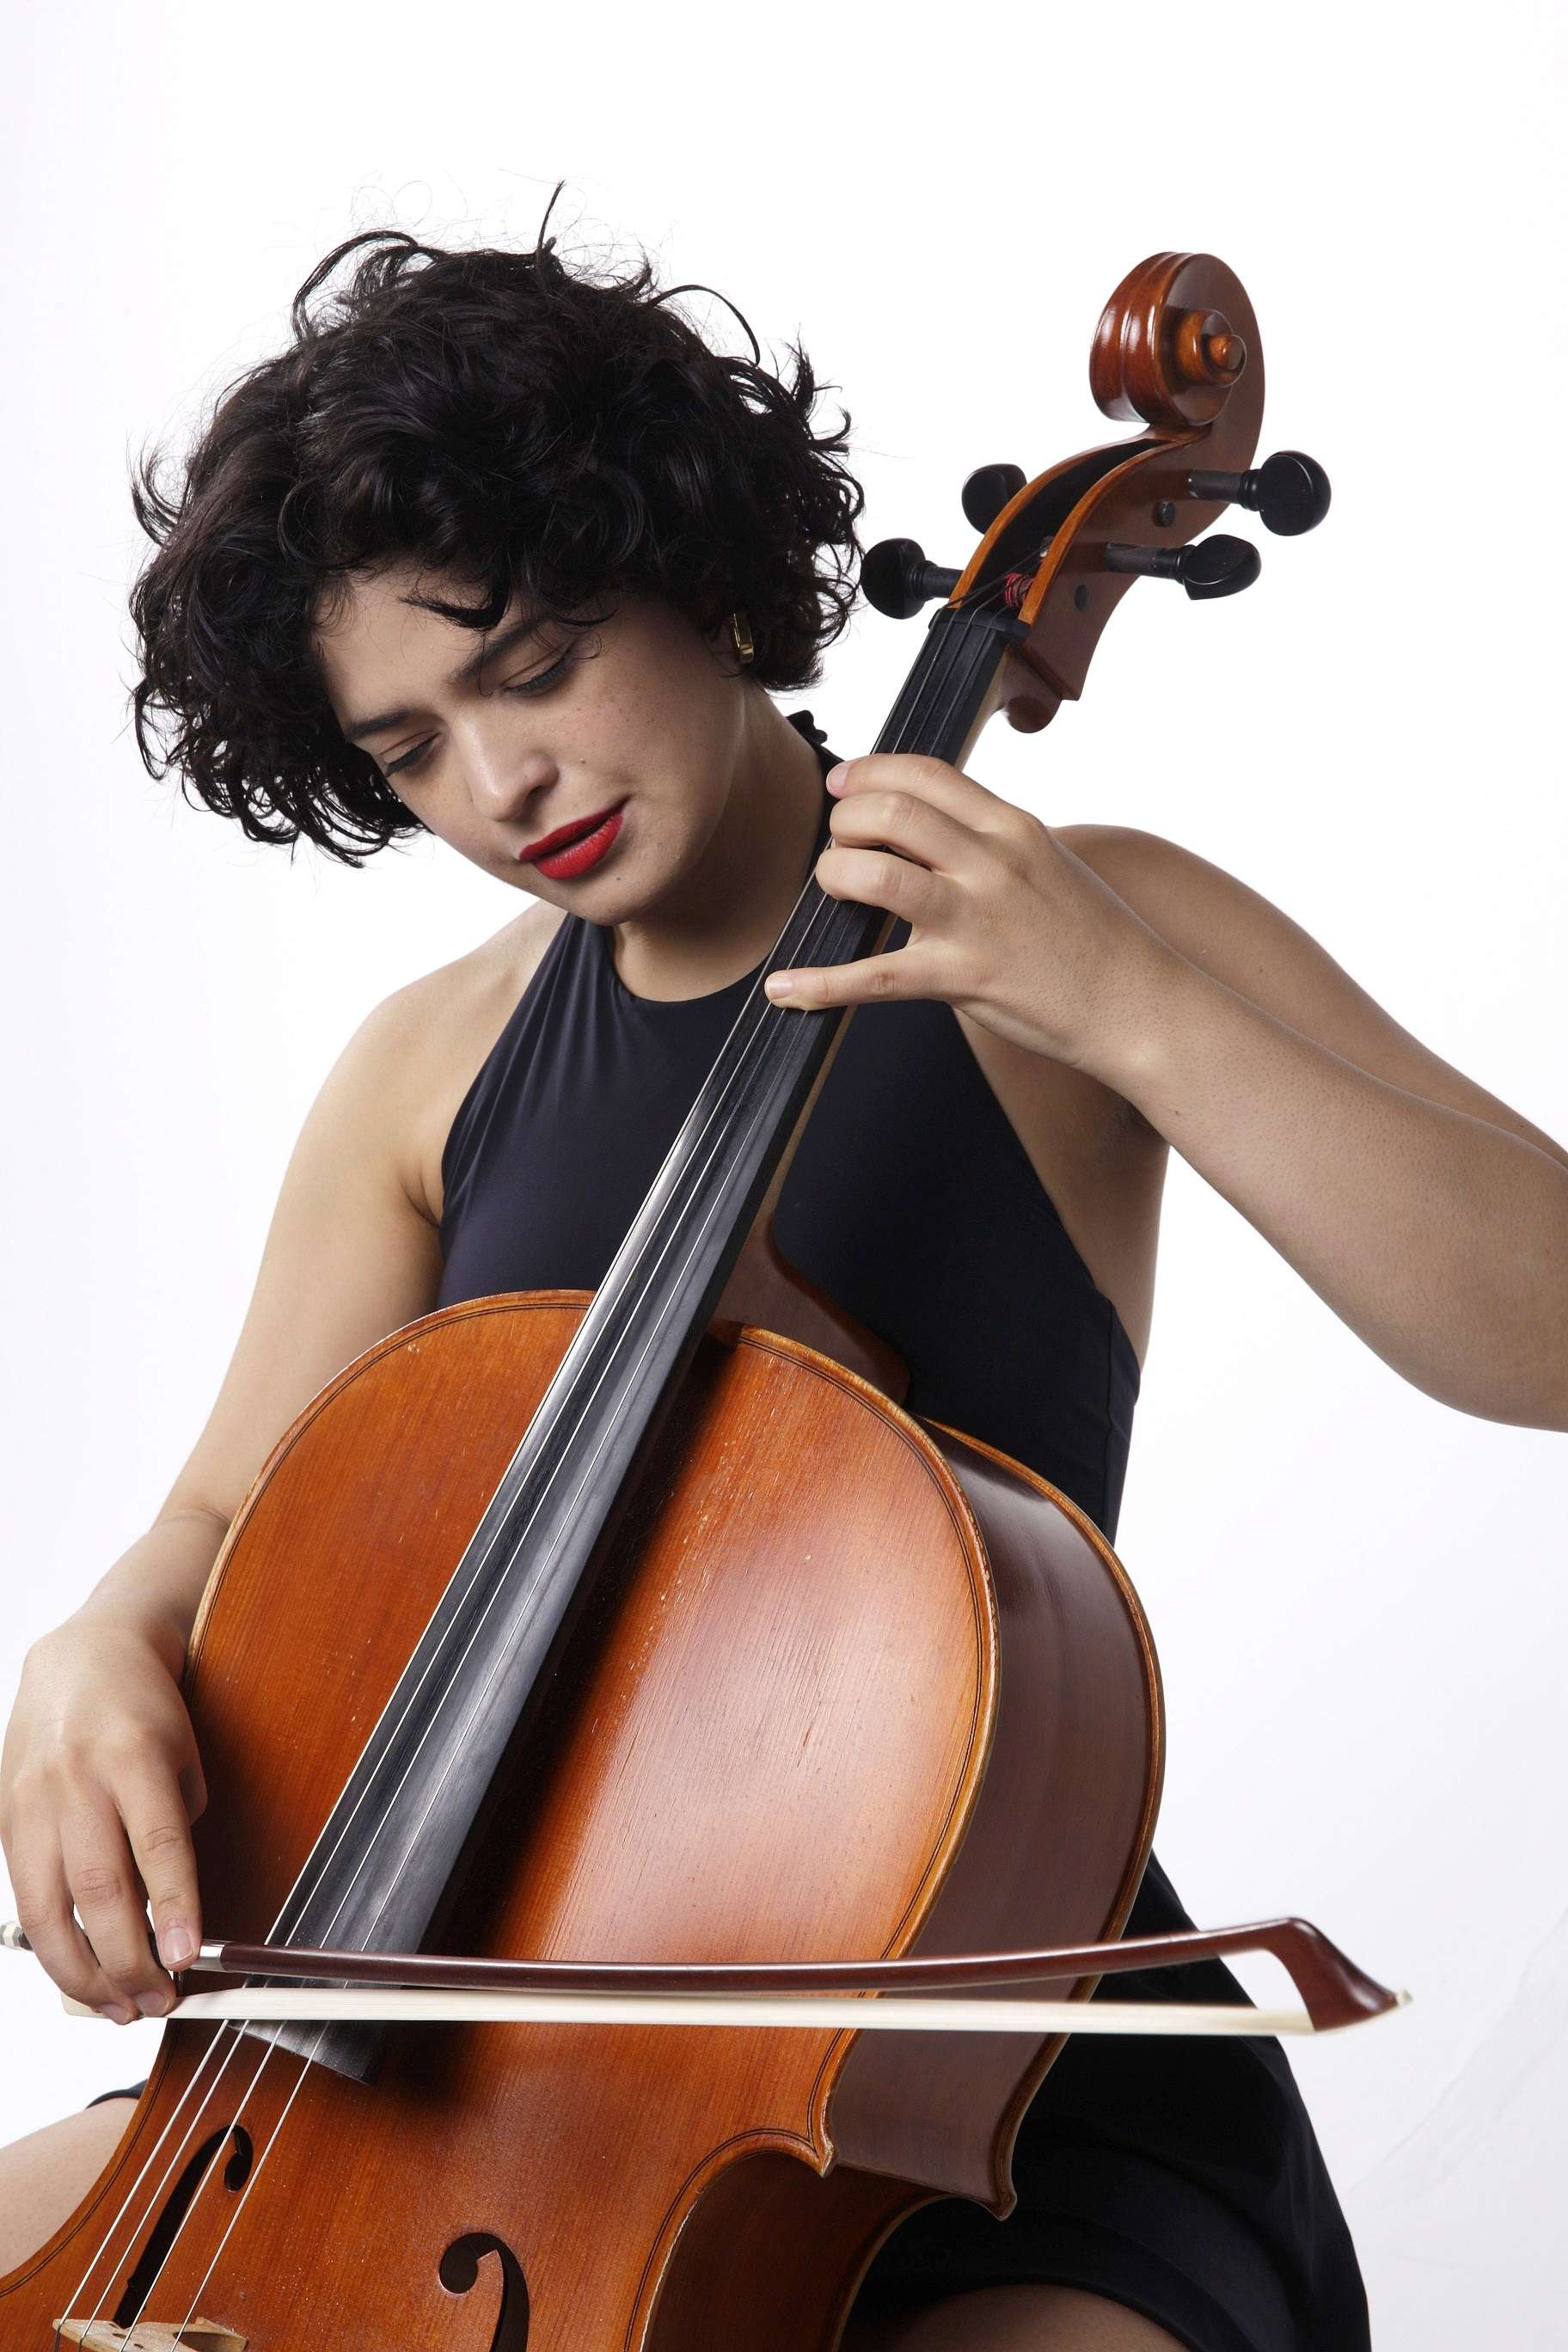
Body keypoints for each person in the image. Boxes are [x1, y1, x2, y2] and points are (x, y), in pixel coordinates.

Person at [3, 201, 1565, 2352]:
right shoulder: (430, 1066)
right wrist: (91, 1646)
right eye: (408, 749)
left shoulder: (1071, 928)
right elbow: (216, 1522)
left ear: (704, 571)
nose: (501, 782)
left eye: (533, 665)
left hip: (995, 2084)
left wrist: (1129, 1002)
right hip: (456, 2057)